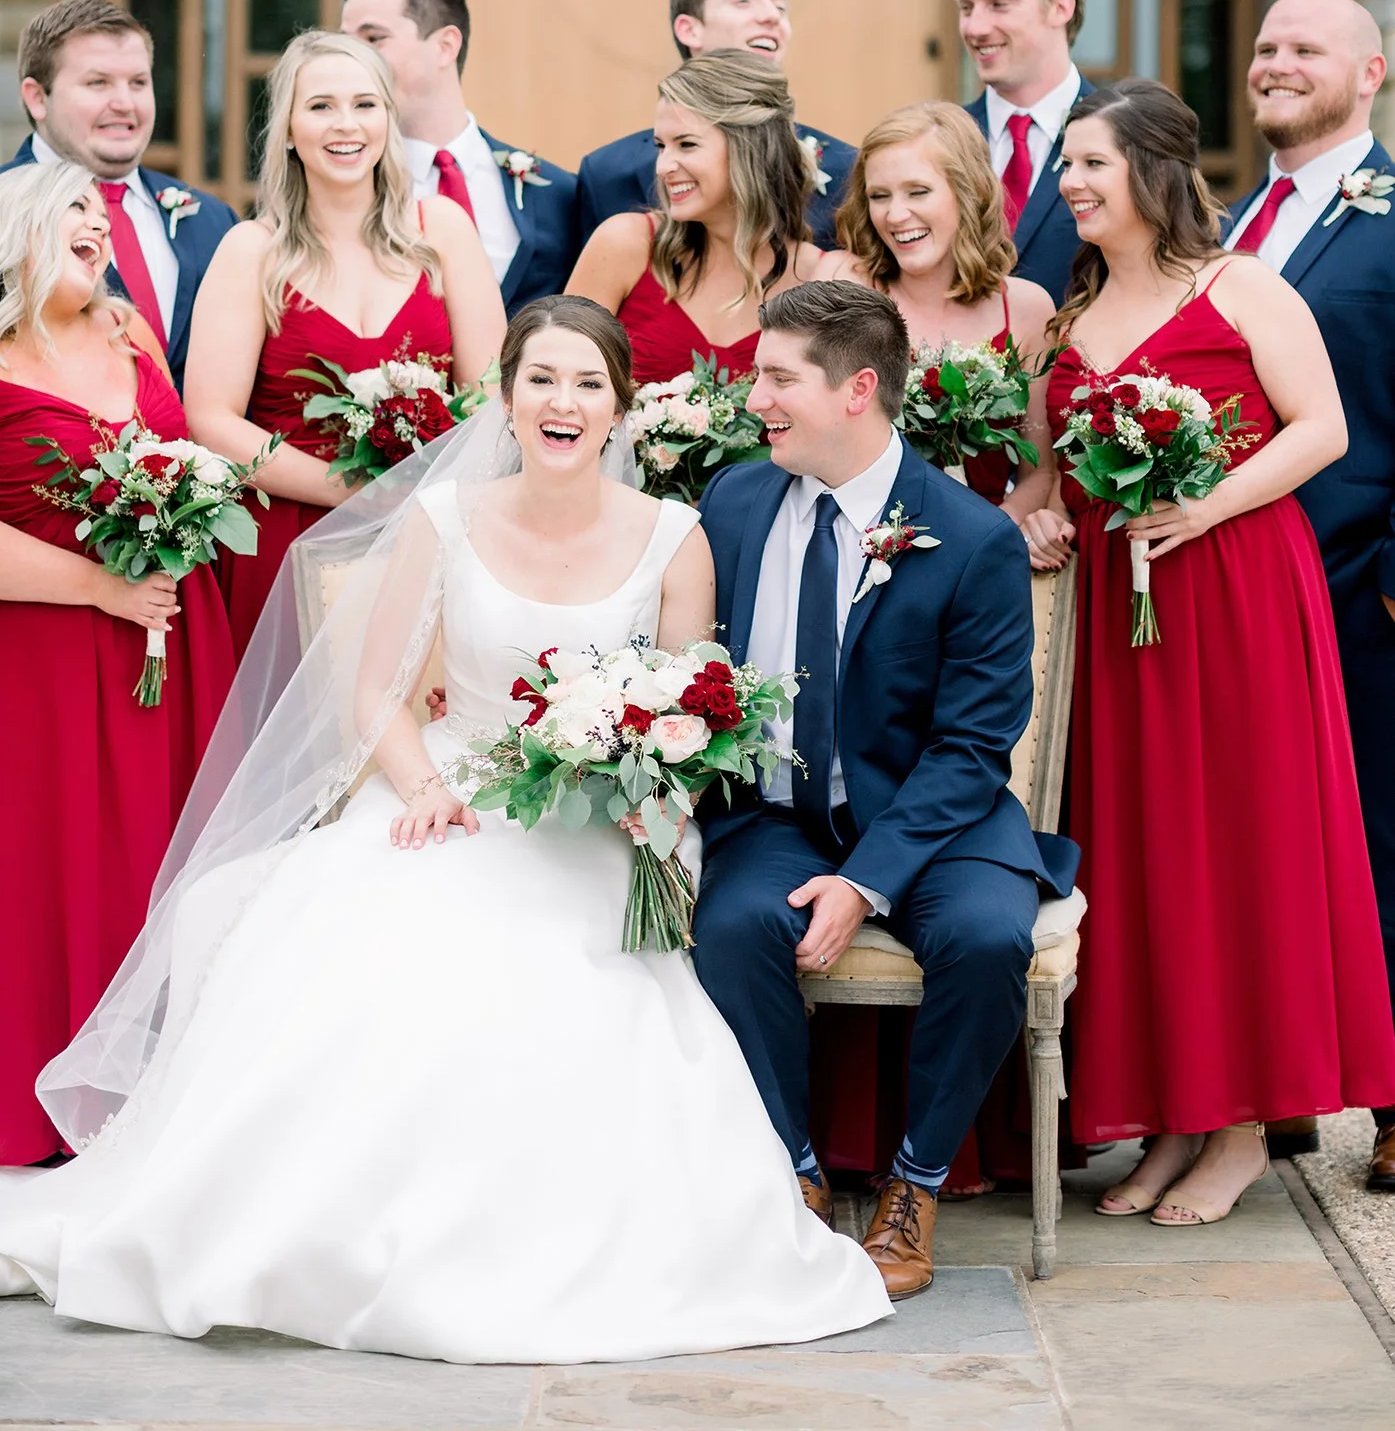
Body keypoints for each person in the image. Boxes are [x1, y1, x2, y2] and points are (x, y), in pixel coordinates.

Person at [0, 296, 892, 1360]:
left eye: (587, 383)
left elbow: (689, 712)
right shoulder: (444, 517)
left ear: (619, 407)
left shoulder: (674, 535)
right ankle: (331, 1228)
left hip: (612, 821)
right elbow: (373, 690)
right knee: (378, 934)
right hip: (455, 785)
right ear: (507, 396)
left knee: (555, 965)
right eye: (542, 379)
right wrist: (421, 782)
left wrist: (642, 792)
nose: (563, 402)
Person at [1022, 79, 1395, 1225]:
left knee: (1242, 845)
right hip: (1120, 623)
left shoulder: (1244, 286)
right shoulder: (1071, 321)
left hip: (1236, 595)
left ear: (1152, 171)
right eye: (1066, 166)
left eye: (1090, 164)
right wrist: (1037, 511)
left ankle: (1241, 1128)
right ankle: (1174, 1119)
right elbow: (1048, 476)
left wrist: (1208, 505)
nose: (1070, 184)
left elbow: (1323, 428)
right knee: (1143, 859)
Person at [694, 281, 1079, 1298]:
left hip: (936, 819)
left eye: (779, 377)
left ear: (858, 388)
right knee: (731, 925)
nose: (754, 396)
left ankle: (914, 1186)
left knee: (988, 936)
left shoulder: (970, 536)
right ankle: (794, 1171)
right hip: (779, 812)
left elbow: (972, 744)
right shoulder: (733, 500)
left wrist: (864, 883)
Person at [0, 160, 234, 1164]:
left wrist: (175, 532)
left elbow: (177, 455)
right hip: (42, 657)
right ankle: (42, 1100)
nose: (98, 227)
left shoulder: (131, 330)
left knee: (162, 860)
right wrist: (98, 586)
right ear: (20, 235)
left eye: (101, 212)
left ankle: (158, 1102)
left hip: (173, 645)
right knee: (54, 867)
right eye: (72, 214)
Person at [184, 30, 505, 658]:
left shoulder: (440, 229)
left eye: (365, 104)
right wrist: (355, 491)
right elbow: (212, 419)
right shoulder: (253, 251)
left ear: (389, 118)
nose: (346, 124)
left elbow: (491, 394)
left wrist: (422, 497)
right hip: (284, 540)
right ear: (287, 130)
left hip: (424, 531)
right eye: (321, 105)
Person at [1227, 0, 1395, 1187]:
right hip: (1247, 589)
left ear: (1370, 74)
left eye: (1305, 48)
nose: (1277, 62)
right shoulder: (1239, 218)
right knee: (1269, 840)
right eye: (1267, 46)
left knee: (1384, 837)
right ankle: (1278, 1081)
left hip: (1360, 581)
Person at [817, 99, 1054, 518]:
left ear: (971, 192)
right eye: (879, 195)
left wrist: (993, 536)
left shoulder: (1026, 309)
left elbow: (1038, 474)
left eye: (918, 191)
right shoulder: (844, 287)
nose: (895, 214)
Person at [2, 0, 237, 392]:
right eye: (98, 83)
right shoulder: (6, 214)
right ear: (37, 98)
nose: (125, 103)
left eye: (138, 83)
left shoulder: (214, 221)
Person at [575, 0, 855, 249]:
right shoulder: (608, 173)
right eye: (744, 2)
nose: (772, 17)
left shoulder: (846, 169)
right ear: (689, 30)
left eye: (780, 6)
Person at [567, 49, 823, 385]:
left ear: (749, 149)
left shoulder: (817, 275)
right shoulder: (625, 245)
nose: (662, 167)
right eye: (661, 146)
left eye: (686, 144)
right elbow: (553, 376)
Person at [341, 0, 578, 313]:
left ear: (445, 46)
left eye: (374, 38)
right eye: (345, 43)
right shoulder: (339, 192)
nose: (351, 58)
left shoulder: (558, 193)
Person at [957, 0, 1093, 306]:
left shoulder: (1128, 137)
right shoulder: (941, 141)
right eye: (966, 8)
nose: (975, 27)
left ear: (1060, 6)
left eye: (999, 4)